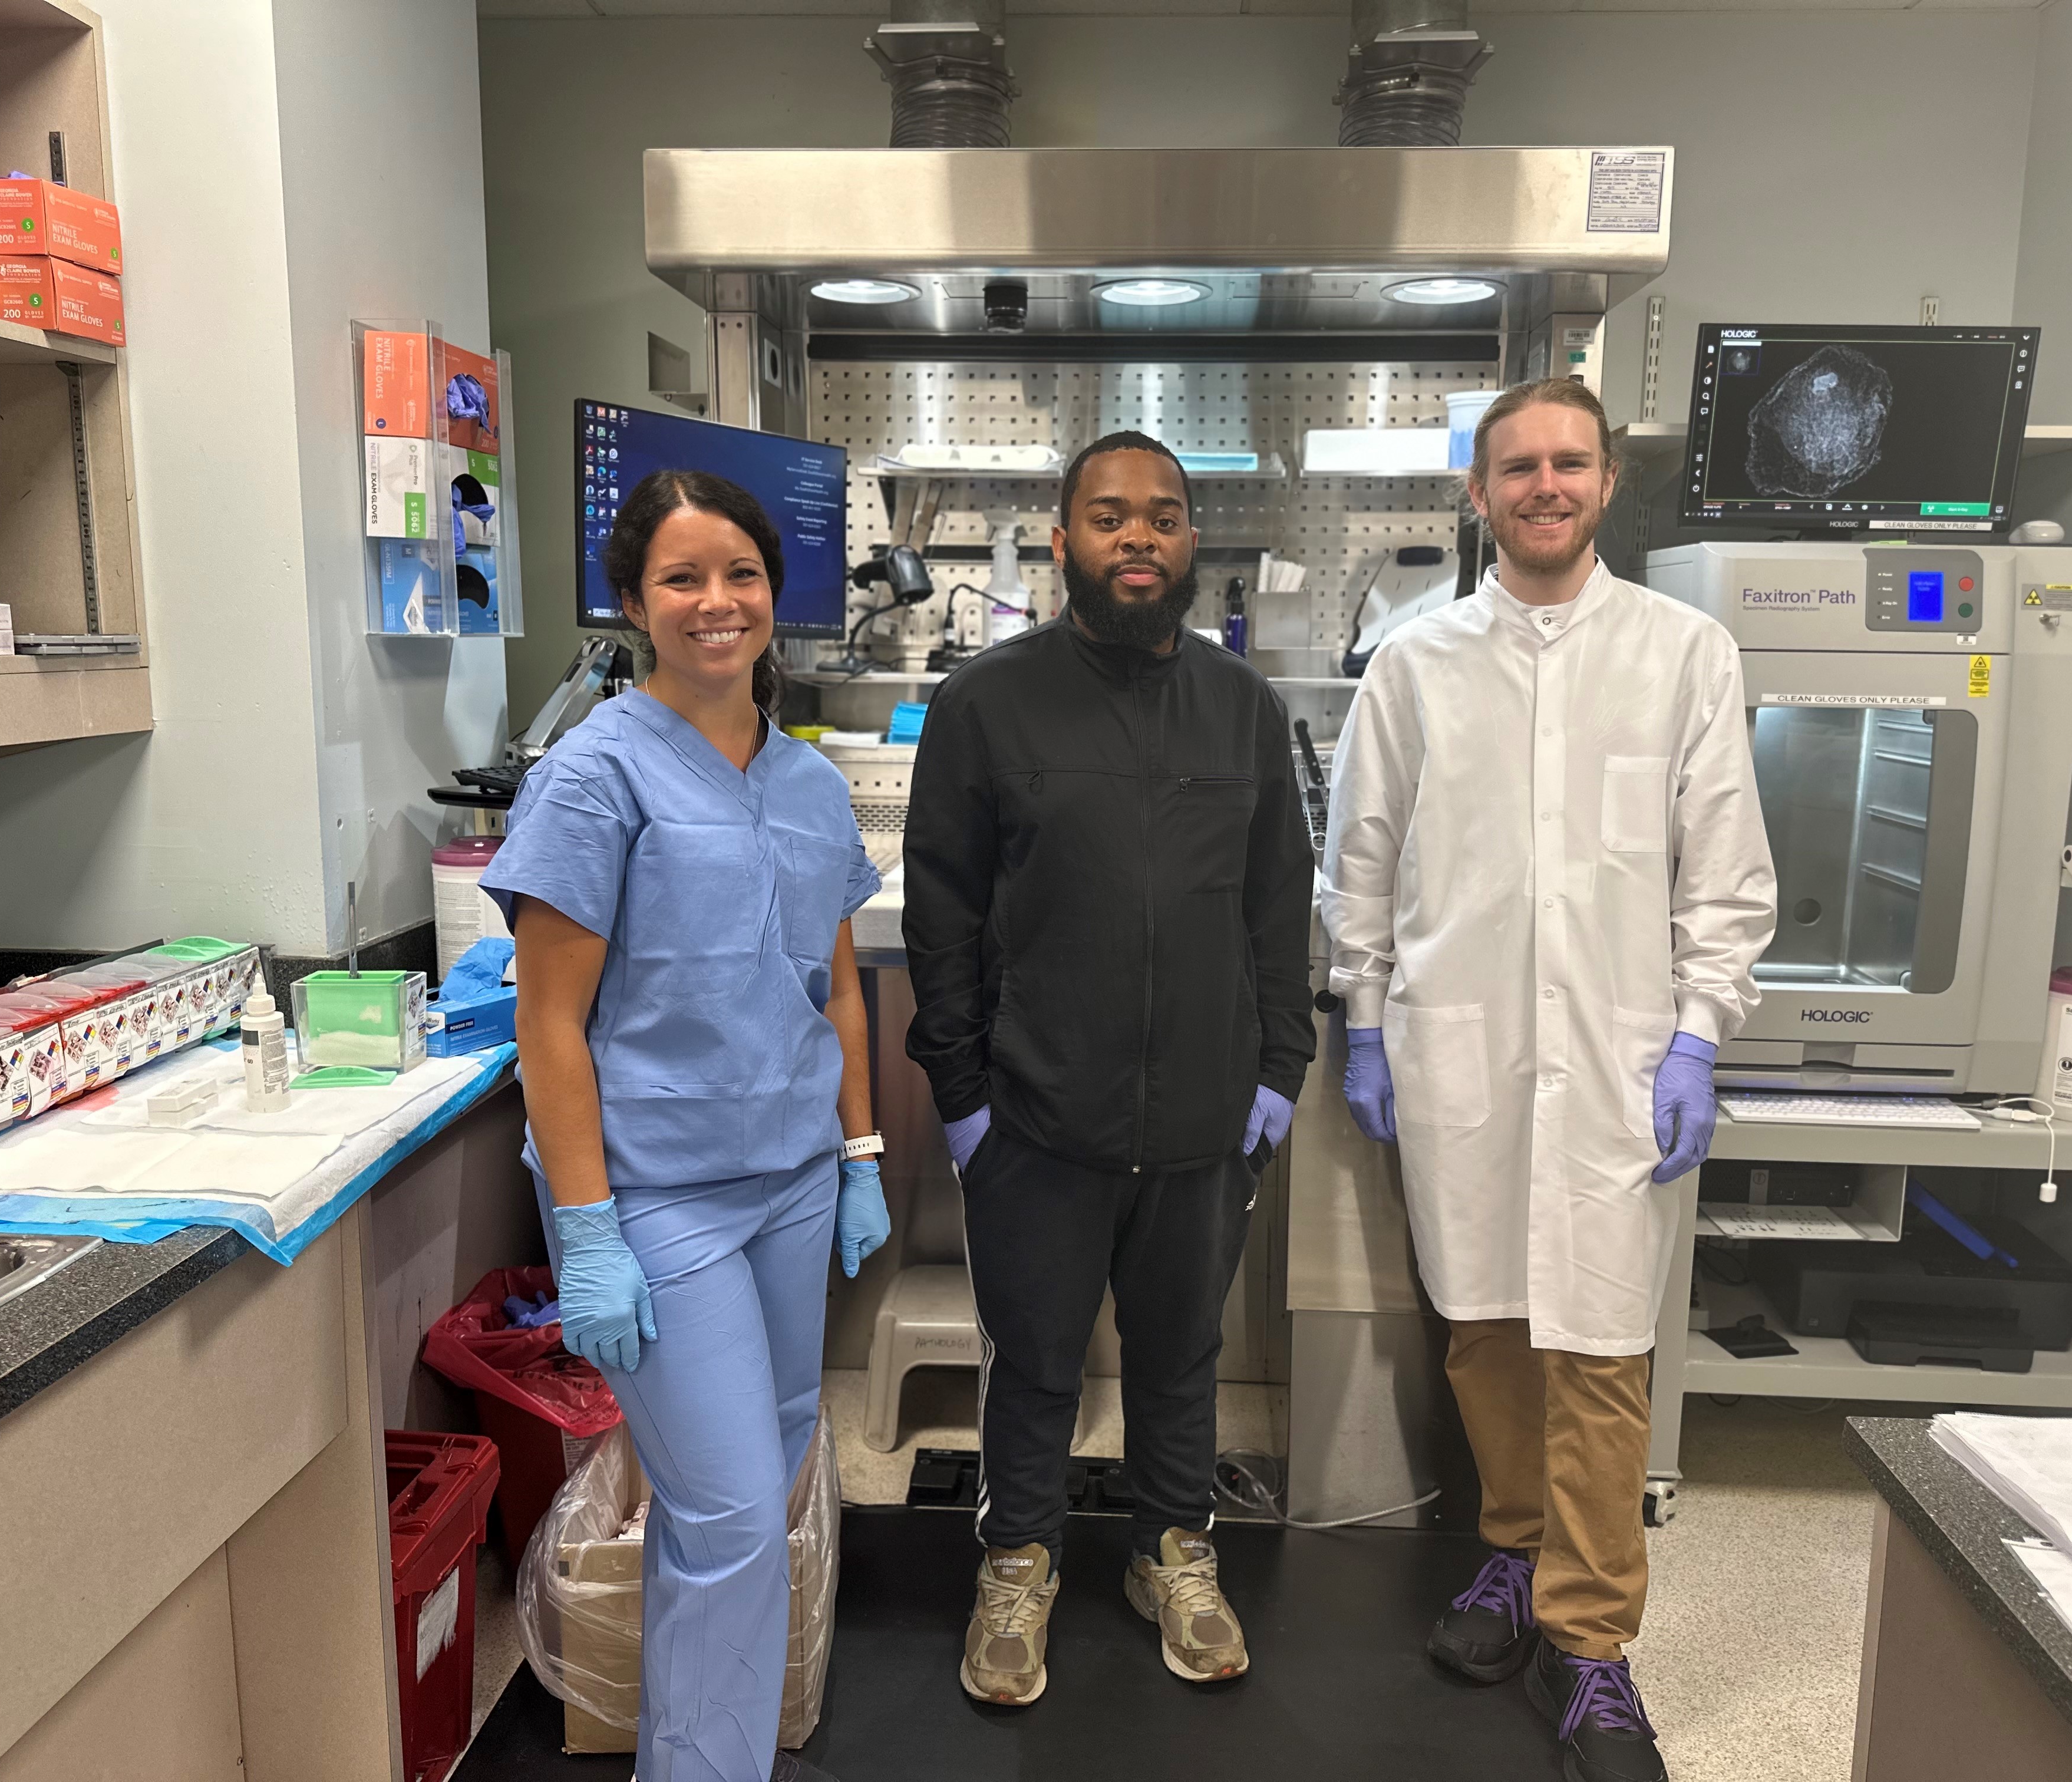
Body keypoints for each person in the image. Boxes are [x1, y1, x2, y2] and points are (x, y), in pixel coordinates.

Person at [1319, 379, 1776, 1782]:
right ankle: (1511, 1552)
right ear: (1479, 493)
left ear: (1607, 481)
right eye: (1518, 468)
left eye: (1569, 463)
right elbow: (1365, 861)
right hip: (1461, 1049)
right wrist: (1368, 1017)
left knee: (1597, 1350)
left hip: (1617, 1061)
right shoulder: (1415, 663)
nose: (1545, 487)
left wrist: (1700, 1030)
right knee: (1486, 1327)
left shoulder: (1685, 655)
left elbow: (1726, 869)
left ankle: (1590, 1646)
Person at [482, 469, 892, 1782]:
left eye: (741, 576)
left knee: (742, 1507)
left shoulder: (810, 786)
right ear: (635, 602)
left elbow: (835, 985)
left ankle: (700, 1754)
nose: (717, 604)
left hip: (791, 1183)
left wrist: (863, 1155)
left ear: (775, 592)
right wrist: (589, 1230)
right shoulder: (596, 776)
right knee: (724, 1515)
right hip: (661, 1198)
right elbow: (548, 1025)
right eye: (682, 579)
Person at [903, 430, 1315, 1706]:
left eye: (1165, 517)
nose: (1139, 537)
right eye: (1109, 516)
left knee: (1181, 1352)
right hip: (1036, 1111)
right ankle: (1017, 1560)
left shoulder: (1243, 709)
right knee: (1032, 1356)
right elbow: (944, 916)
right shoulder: (985, 703)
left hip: (1202, 1111)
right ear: (1064, 536)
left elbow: (1276, 907)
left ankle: (1170, 1551)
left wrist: (1279, 1069)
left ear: (1195, 541)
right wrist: (966, 1099)